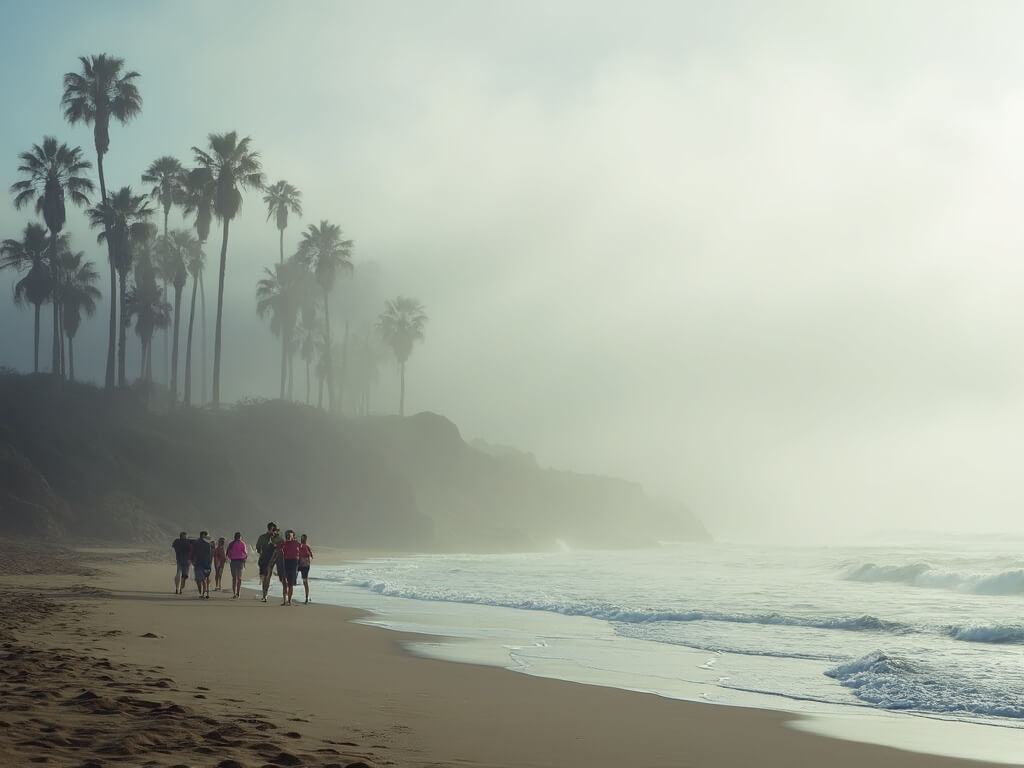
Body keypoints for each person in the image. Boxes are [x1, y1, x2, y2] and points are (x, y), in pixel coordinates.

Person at [255, 522, 283, 603]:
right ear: (269, 529)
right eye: (273, 529)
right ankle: (264, 594)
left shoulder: (278, 538)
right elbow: (258, 548)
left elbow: (283, 546)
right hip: (263, 559)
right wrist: (261, 551)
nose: (275, 531)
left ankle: (265, 595)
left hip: (273, 561)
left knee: (268, 577)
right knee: (264, 578)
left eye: (276, 530)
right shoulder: (262, 537)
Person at [277, 529, 301, 606]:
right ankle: (285, 601)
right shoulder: (285, 543)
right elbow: (278, 547)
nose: (288, 537)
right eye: (287, 535)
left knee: (289, 584)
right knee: (286, 583)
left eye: (289, 535)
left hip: (293, 563)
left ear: (293, 536)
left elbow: (302, 548)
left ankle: (289, 601)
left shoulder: (296, 543)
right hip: (287, 563)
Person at [191, 531, 214, 599]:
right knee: (203, 579)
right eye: (207, 535)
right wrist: (210, 563)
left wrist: (192, 560)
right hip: (204, 563)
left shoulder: (199, 543)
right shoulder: (207, 544)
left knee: (199, 579)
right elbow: (210, 555)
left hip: (198, 563)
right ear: (203, 535)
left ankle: (202, 593)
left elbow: (192, 552)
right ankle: (203, 593)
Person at [225, 531, 248, 599]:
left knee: (234, 578)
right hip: (240, 561)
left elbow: (228, 554)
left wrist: (231, 556)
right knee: (239, 578)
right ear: (240, 537)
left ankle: (234, 593)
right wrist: (245, 558)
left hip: (233, 561)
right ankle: (238, 593)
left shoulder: (231, 544)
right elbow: (245, 553)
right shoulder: (242, 543)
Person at [297, 533, 314, 604]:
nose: (302, 540)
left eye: (303, 538)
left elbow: (311, 556)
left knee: (305, 582)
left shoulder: (307, 546)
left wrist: (307, 559)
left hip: (305, 566)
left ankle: (307, 597)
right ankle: (287, 598)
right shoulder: (298, 545)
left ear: (306, 539)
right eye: (302, 538)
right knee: (290, 579)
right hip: (298, 564)